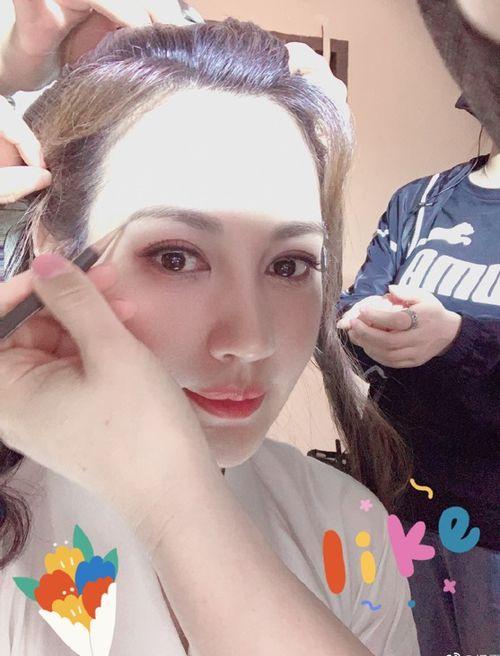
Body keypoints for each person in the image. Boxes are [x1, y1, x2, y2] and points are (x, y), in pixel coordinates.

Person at [0, 11, 419, 656]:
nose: (250, 340)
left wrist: (175, 502)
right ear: (54, 254)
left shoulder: (348, 529)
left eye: (290, 265)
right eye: (175, 258)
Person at [336, 99, 500, 653]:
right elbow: (356, 308)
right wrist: (362, 324)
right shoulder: (421, 201)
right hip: (401, 505)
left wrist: (457, 338)